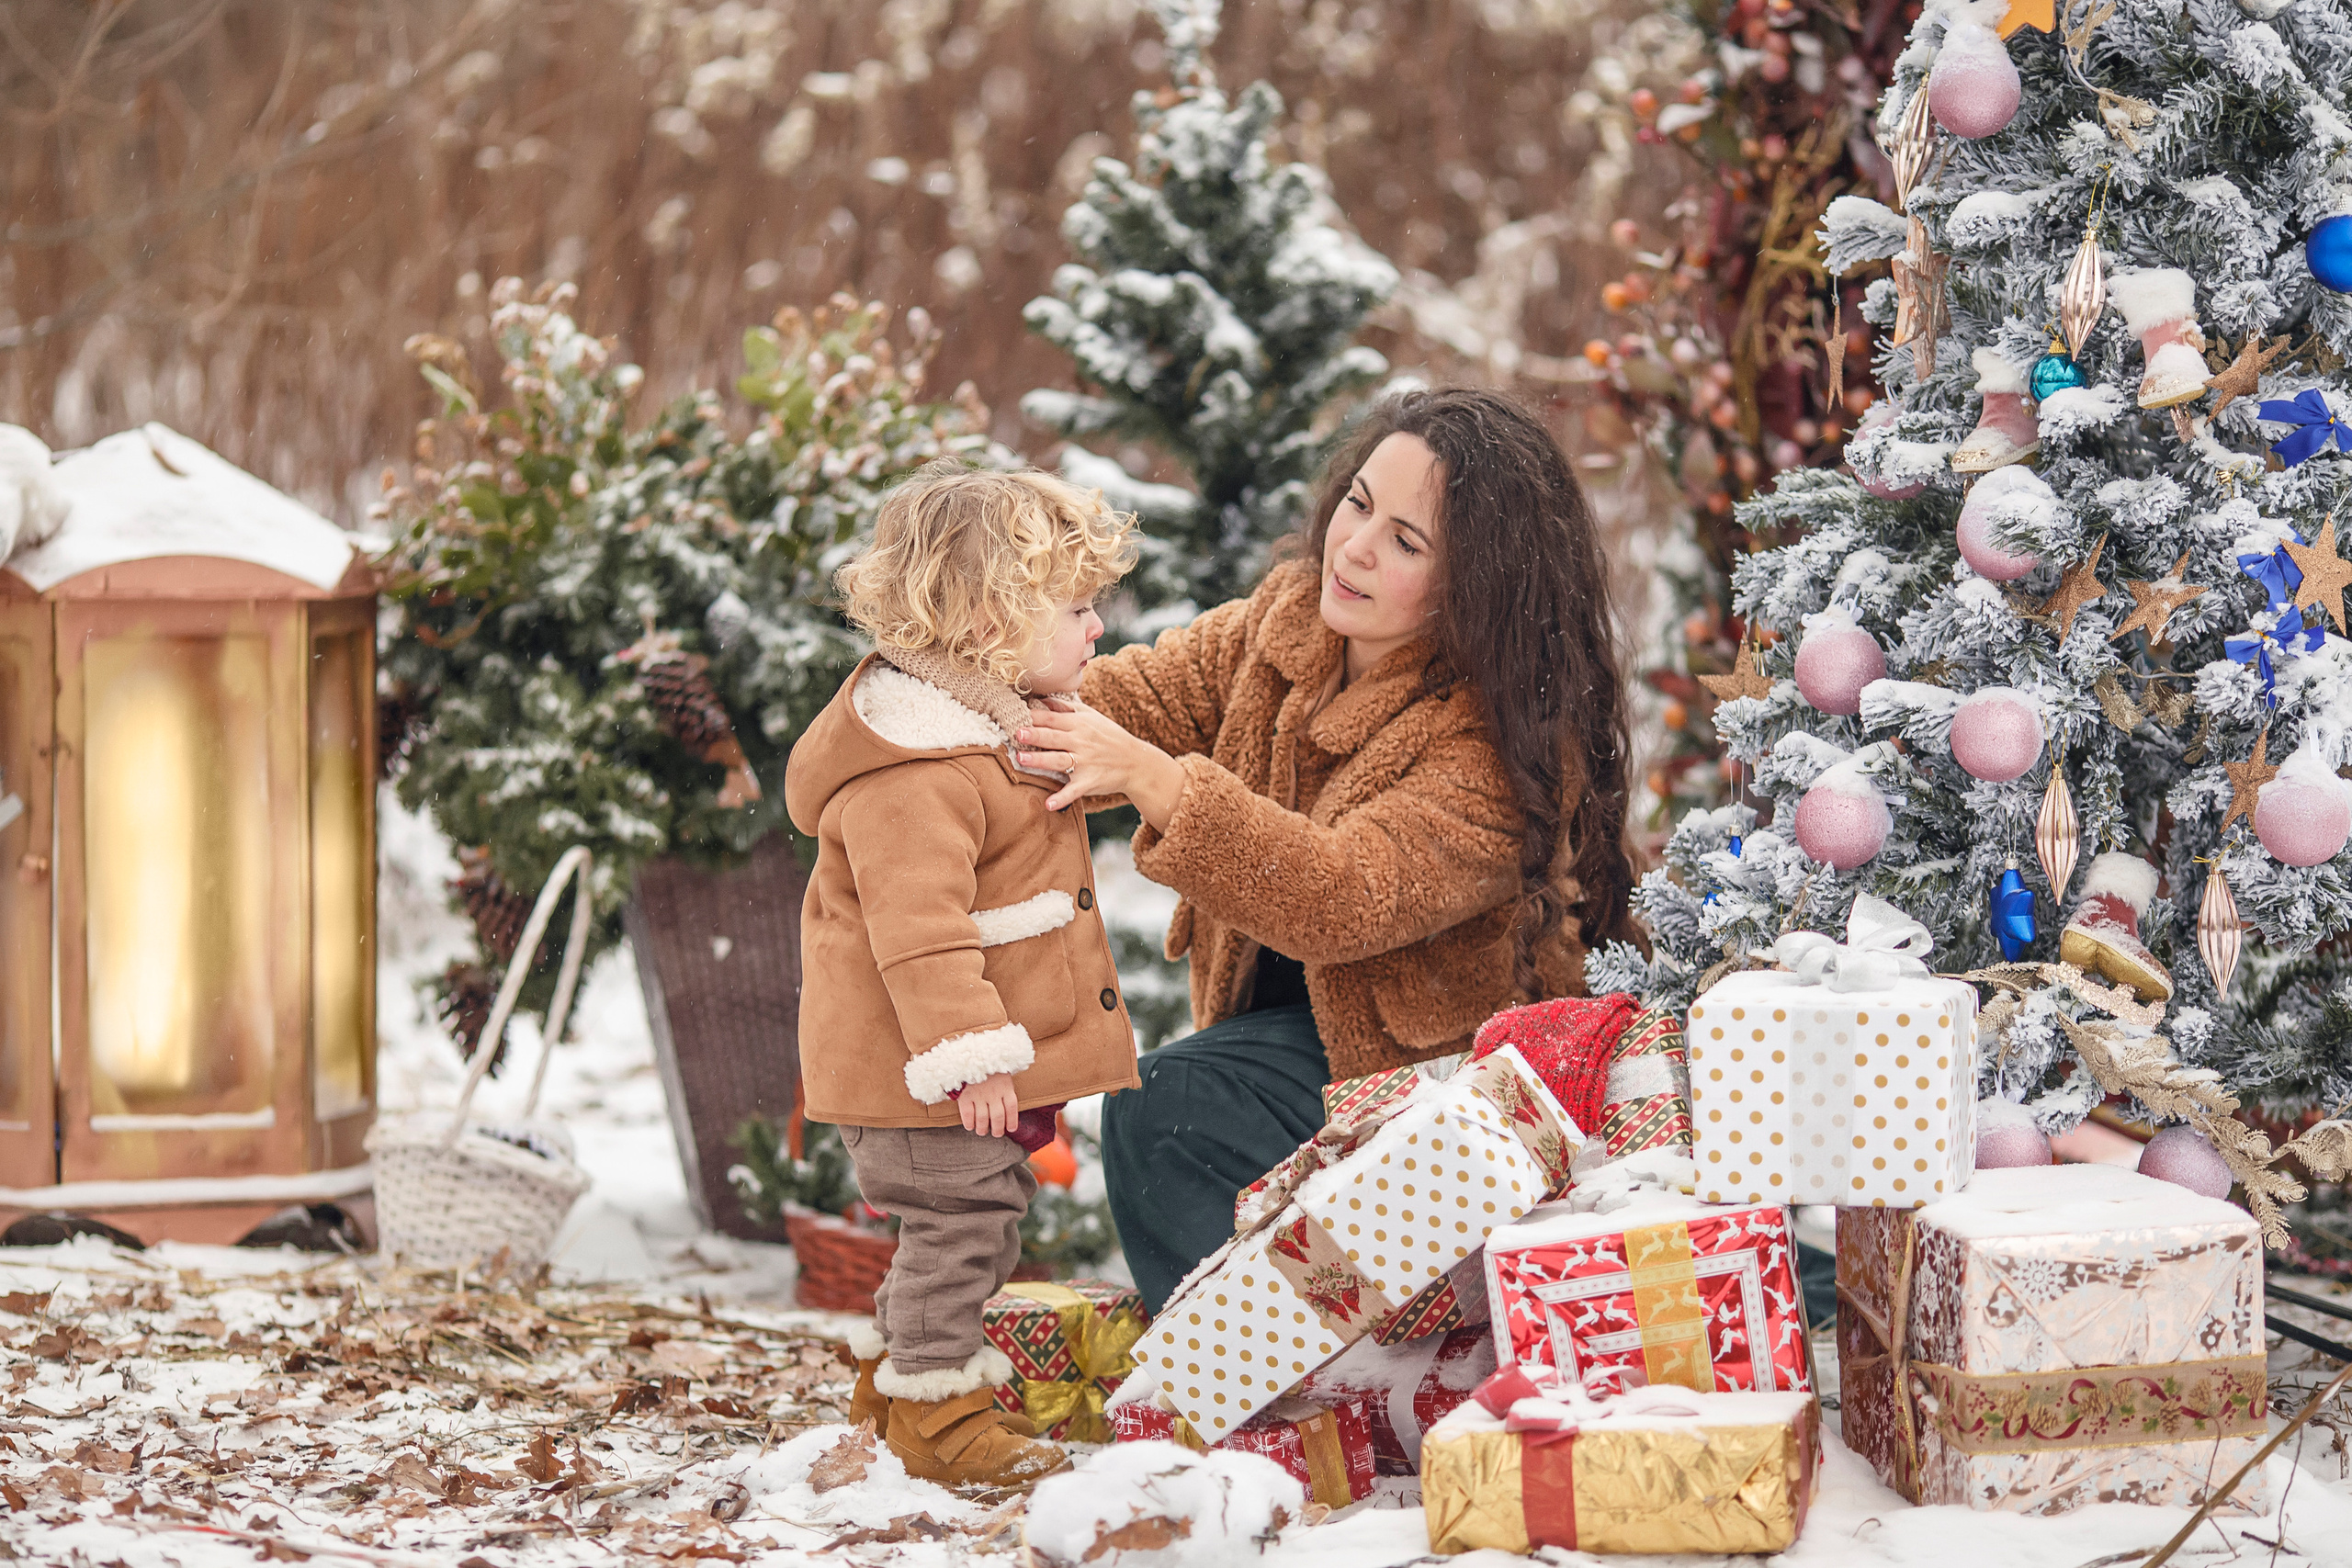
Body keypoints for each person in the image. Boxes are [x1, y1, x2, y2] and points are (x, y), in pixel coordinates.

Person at [1013, 388, 1643, 1311]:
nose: (1352, 547)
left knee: (1165, 1106)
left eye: (1407, 542)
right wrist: (986, 708)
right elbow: (1137, 696)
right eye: (1358, 503)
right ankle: (1249, 1353)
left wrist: (1157, 780)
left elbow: (1344, 894)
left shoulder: (1494, 743)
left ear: (1478, 583)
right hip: (1289, 1051)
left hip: (1428, 1099)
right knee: (1170, 1103)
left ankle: (1258, 1370)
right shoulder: (1285, 626)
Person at [785, 463, 1142, 1486]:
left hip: (938, 1070)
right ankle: (938, 1414)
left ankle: (894, 1401)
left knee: (964, 1224)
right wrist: (969, 1060)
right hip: (922, 1070)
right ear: (991, 617)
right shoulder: (912, 770)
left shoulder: (978, 732)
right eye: (1076, 608)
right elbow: (920, 934)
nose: (1096, 631)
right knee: (960, 1228)